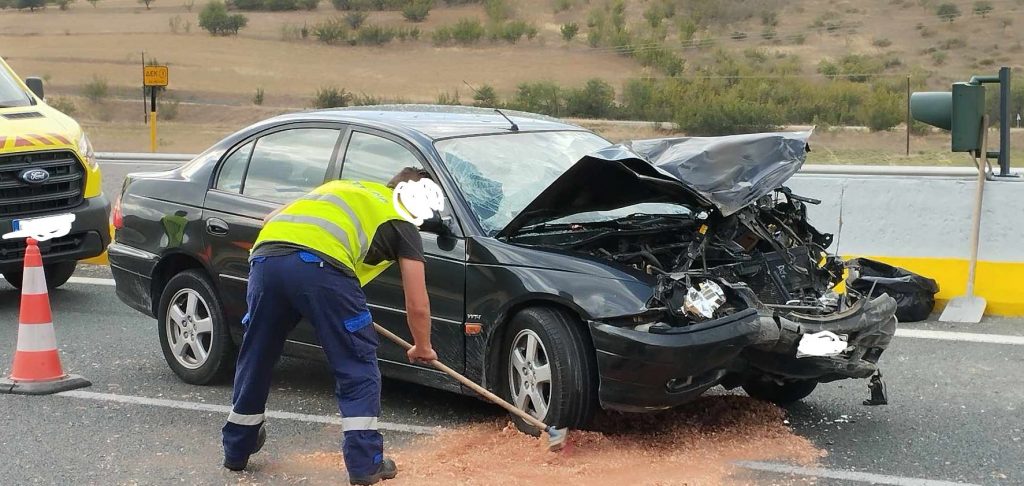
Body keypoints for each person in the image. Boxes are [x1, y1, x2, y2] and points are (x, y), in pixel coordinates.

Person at [222, 168, 441, 485]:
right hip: (322, 268)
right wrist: (422, 345)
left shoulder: (343, 187)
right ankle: (366, 464)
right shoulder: (401, 220)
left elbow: (271, 217)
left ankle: (236, 448)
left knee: (256, 354)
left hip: (266, 259)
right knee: (356, 361)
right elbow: (417, 303)